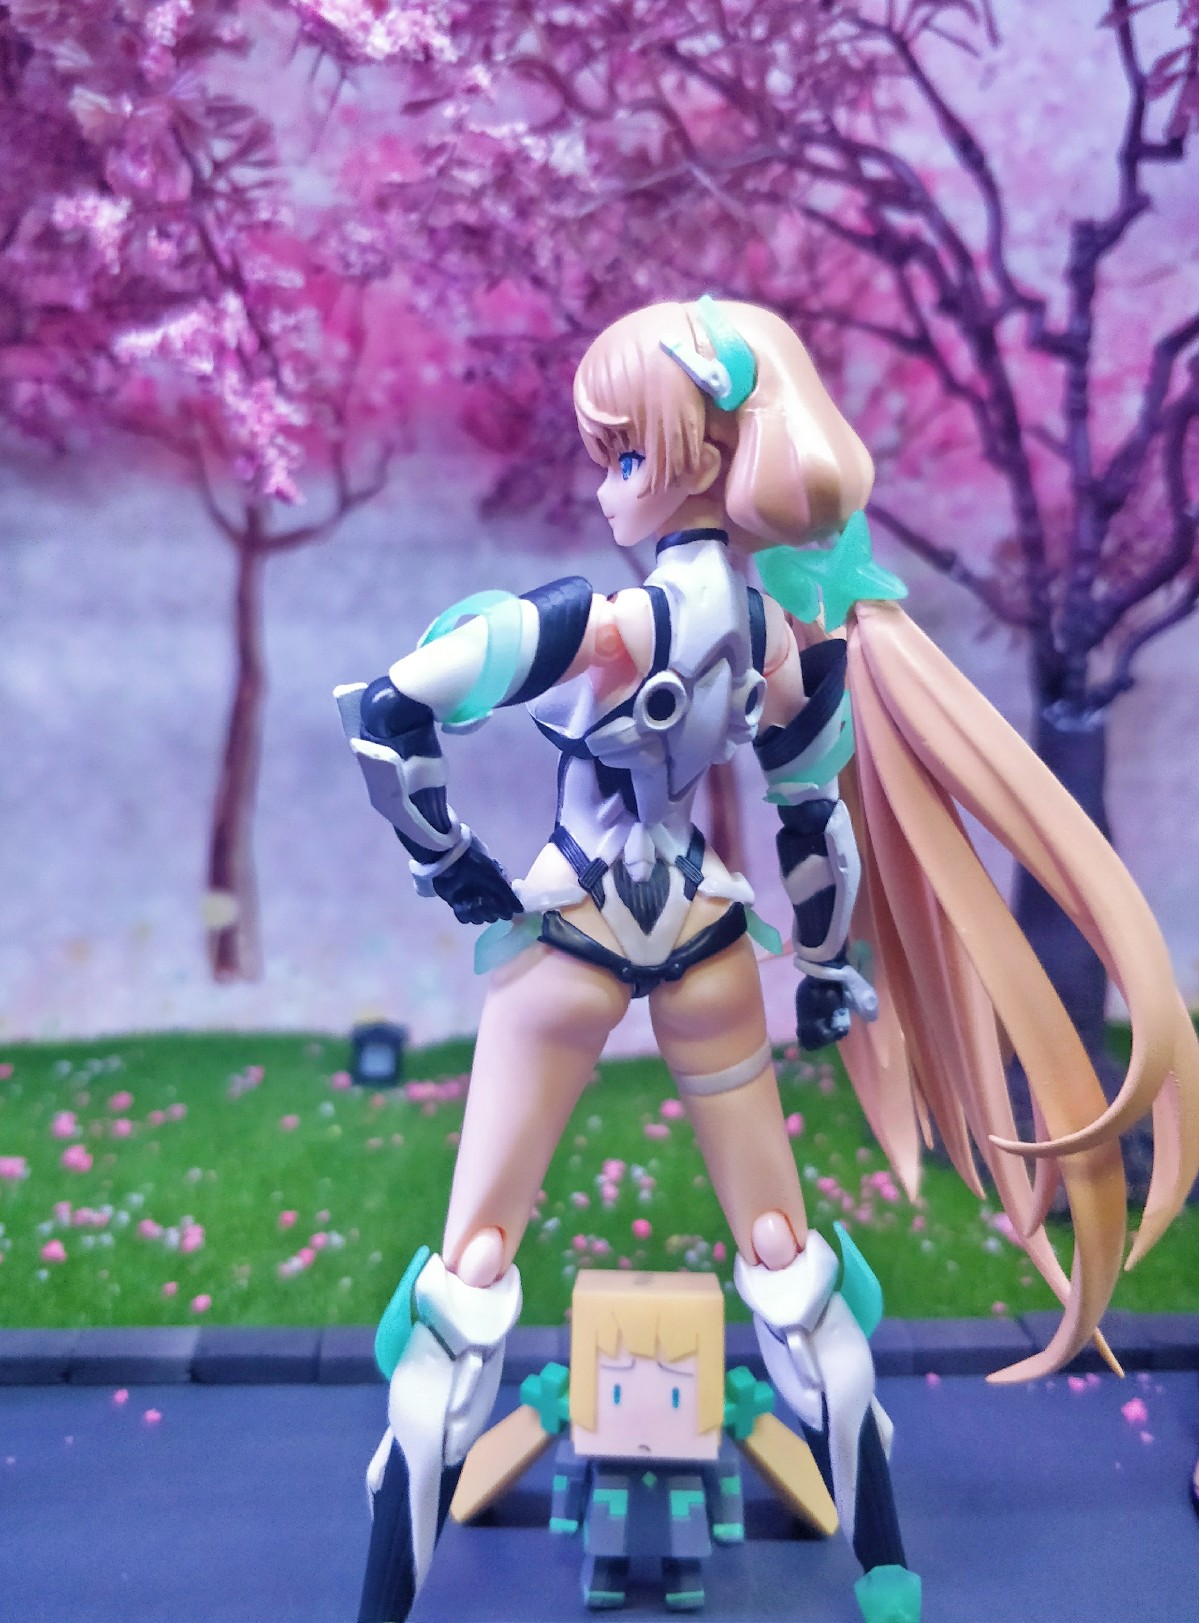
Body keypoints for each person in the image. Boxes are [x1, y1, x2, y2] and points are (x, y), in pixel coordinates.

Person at [337, 297, 1199, 1623]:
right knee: (784, 1258)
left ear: (695, 454)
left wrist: (457, 870)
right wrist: (835, 971)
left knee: (475, 1267)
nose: (605, 483)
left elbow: (388, 717)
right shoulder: (776, 638)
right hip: (705, 942)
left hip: (571, 936)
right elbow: (817, 833)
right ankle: (888, 1568)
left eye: (623, 452)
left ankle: (382, 1601)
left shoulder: (598, 625)